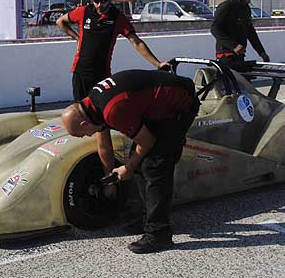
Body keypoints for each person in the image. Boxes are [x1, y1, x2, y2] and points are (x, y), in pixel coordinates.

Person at [61, 69, 200, 254]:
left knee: (155, 167)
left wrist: (127, 167)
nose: (87, 136)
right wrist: (109, 179)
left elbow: (147, 141)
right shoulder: (91, 106)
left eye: (82, 134)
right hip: (156, 107)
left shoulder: (112, 110)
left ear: (84, 124)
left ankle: (159, 235)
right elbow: (104, 146)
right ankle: (148, 220)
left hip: (180, 105)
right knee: (140, 164)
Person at [56, 0, 169, 182]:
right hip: (80, 75)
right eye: (96, 0)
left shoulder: (117, 18)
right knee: (78, 121)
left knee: (103, 133)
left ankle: (108, 178)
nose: (99, 5)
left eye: (103, 1)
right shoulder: (83, 12)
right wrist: (77, 38)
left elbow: (136, 42)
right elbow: (60, 21)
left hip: (101, 79)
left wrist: (158, 63)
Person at [210, 0, 270, 67]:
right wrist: (234, 46)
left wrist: (262, 52)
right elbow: (214, 28)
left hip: (239, 55)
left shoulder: (246, 8)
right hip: (226, 55)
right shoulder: (226, 6)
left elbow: (250, 32)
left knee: (245, 78)